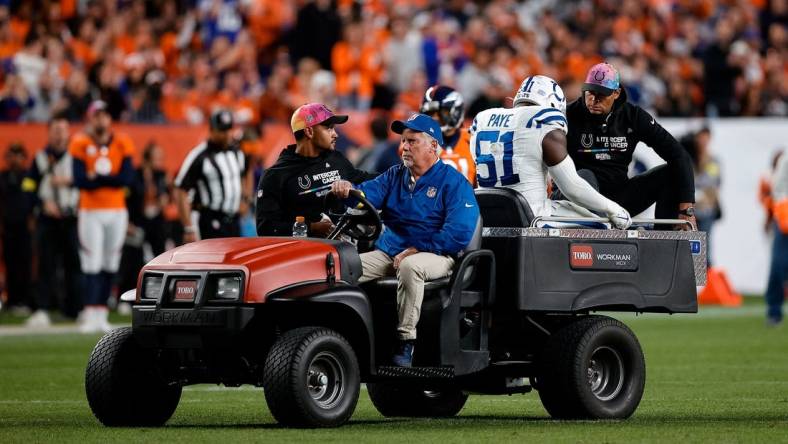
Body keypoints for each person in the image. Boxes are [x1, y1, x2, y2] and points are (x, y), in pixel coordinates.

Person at [330, 113, 479, 367]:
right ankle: (340, 338)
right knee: (341, 266)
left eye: (412, 141)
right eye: (403, 141)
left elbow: (458, 234)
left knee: (411, 266)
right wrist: (347, 191)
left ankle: (405, 342)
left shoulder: (454, 183)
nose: (404, 147)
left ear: (433, 146)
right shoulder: (394, 176)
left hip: (439, 255)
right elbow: (367, 196)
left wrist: (415, 248)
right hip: (391, 252)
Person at [470, 75, 632, 229]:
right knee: (604, 225)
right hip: (532, 217)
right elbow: (572, 187)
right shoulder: (543, 120)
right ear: (553, 104)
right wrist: (613, 209)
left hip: (487, 213)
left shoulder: (483, 119)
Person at [564, 62, 696, 229]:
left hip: (617, 200)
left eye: (602, 95)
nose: (594, 100)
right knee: (585, 176)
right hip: (579, 197)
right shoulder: (567, 114)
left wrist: (687, 210)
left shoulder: (632, 116)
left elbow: (679, 155)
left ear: (616, 93)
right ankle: (594, 229)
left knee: (671, 173)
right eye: (590, 93)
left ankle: (664, 239)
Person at [256, 103, 375, 237]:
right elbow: (265, 228)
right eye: (329, 128)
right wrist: (311, 228)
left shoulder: (336, 159)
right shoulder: (275, 175)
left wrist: (399, 174)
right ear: (309, 131)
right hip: (303, 253)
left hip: (343, 249)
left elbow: (364, 178)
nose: (335, 134)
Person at [70, 100, 135, 333]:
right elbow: (79, 181)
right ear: (90, 118)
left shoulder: (122, 141)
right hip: (90, 211)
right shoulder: (80, 142)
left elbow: (127, 178)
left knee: (110, 263)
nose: (101, 119)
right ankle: (90, 312)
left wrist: (96, 177)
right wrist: (109, 179)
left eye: (105, 115)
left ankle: (102, 312)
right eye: (97, 115)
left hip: (117, 211)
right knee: (92, 262)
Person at [26, 115, 82, 327]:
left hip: (71, 217)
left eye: (63, 129)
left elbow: (86, 182)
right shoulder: (40, 158)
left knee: (73, 265)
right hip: (47, 219)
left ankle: (74, 309)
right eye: (55, 130)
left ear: (68, 133)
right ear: (49, 133)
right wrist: (41, 204)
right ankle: (42, 309)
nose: (59, 134)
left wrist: (70, 181)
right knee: (45, 265)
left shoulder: (77, 157)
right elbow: (29, 186)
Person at [174, 109, 252, 242]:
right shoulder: (199, 156)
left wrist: (246, 199)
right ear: (212, 130)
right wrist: (188, 227)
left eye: (229, 129)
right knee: (212, 261)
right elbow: (181, 190)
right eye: (222, 131)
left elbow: (246, 172)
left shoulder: (237, 151)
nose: (227, 134)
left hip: (233, 220)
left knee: (233, 260)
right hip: (209, 219)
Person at [0, 142, 34, 315]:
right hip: (8, 227)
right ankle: (11, 300)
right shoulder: (3, 177)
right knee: (10, 263)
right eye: (12, 155)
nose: (15, 159)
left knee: (25, 264)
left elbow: (33, 200)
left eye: (19, 155)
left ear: (24, 158)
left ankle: (25, 300)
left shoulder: (29, 176)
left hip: (26, 227)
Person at [420, 85, 477, 186]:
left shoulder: (472, 140)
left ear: (456, 111)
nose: (435, 118)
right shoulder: (419, 143)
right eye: (430, 113)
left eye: (441, 112)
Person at [681, 127, 721, 264]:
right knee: (688, 246)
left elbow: (712, 180)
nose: (703, 141)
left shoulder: (713, 160)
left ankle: (709, 281)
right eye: (700, 138)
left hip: (707, 209)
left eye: (706, 138)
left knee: (705, 247)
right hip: (691, 210)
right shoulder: (689, 157)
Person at [765, 151, 788, 326]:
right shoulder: (785, 159)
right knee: (778, 265)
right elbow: (777, 190)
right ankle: (774, 311)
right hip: (784, 218)